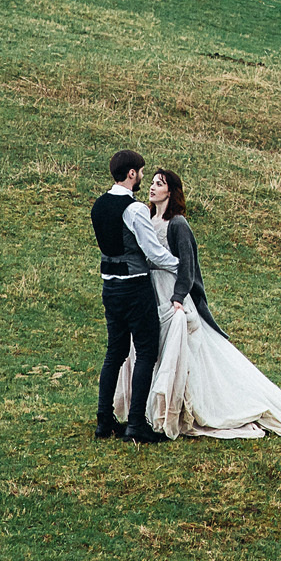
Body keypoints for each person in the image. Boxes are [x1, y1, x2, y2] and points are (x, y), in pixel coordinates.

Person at [127, 166, 281, 444]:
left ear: (171, 192)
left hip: (172, 291)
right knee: (154, 349)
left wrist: (178, 297)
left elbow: (187, 265)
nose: (152, 187)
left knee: (181, 347)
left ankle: (182, 408)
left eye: (159, 183)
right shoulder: (147, 217)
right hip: (151, 291)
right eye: (151, 182)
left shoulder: (178, 224)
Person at [91, 149, 183, 444]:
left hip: (110, 287)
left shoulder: (99, 205)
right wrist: (181, 266)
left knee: (114, 353)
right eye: (141, 172)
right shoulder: (134, 209)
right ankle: (135, 424)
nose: (143, 176)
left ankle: (104, 420)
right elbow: (152, 251)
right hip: (135, 286)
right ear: (131, 173)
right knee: (146, 352)